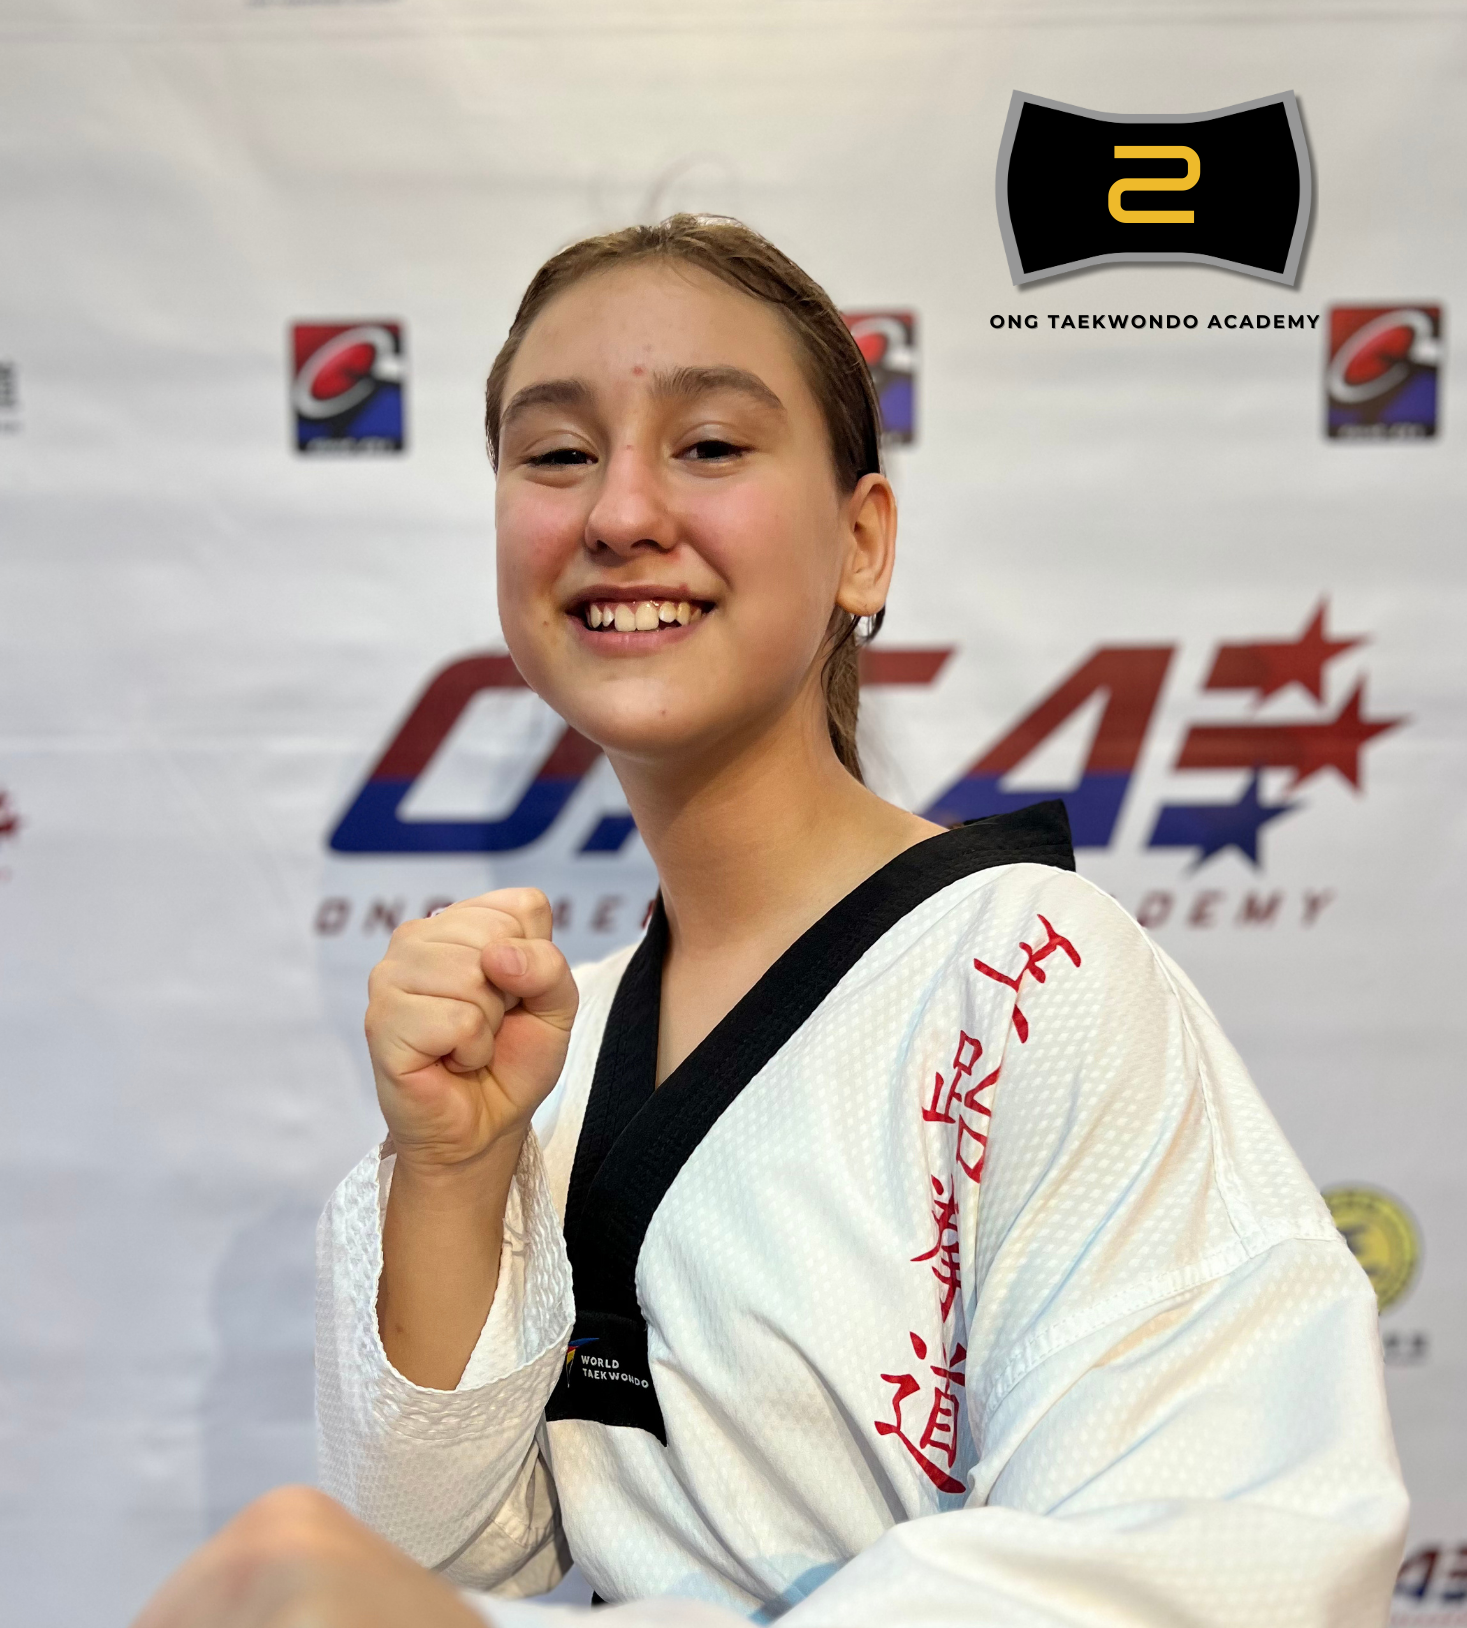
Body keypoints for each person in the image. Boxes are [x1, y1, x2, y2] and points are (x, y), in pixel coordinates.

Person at [134, 215, 1407, 1628]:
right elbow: (441, 1567)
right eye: (555, 454)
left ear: (861, 544)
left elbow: (1214, 1554)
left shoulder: (1029, 973)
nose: (618, 511)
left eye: (710, 446)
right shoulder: (554, 1047)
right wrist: (451, 1172)